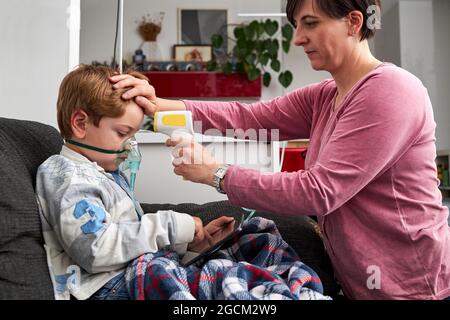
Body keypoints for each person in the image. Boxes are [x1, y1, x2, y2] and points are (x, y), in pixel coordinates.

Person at [110, 0, 450, 300]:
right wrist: (161, 105)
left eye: (310, 23)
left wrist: (218, 174)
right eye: (297, 25)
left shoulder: (390, 90)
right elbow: (247, 117)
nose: (299, 38)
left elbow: (319, 191)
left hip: (412, 284)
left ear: (353, 22)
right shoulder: (325, 96)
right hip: (359, 282)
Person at [36, 65, 234, 300]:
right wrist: (170, 226)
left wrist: (189, 246)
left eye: (133, 136)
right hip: (102, 288)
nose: (129, 146)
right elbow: (96, 249)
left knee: (235, 258)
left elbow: (131, 240)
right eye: (122, 133)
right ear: (80, 123)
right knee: (185, 274)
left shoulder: (105, 174)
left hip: (131, 275)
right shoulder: (66, 174)